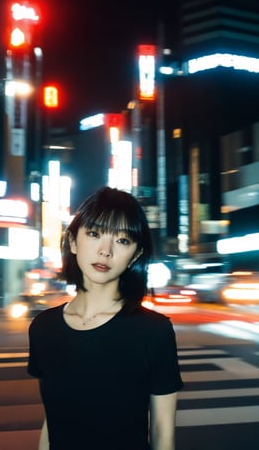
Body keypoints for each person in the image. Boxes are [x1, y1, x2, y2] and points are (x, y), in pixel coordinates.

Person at [28, 186, 183, 450]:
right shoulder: (44, 327)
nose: (105, 250)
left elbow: (162, 431)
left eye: (122, 240)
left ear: (135, 254)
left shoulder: (153, 331)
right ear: (74, 241)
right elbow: (51, 422)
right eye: (94, 234)